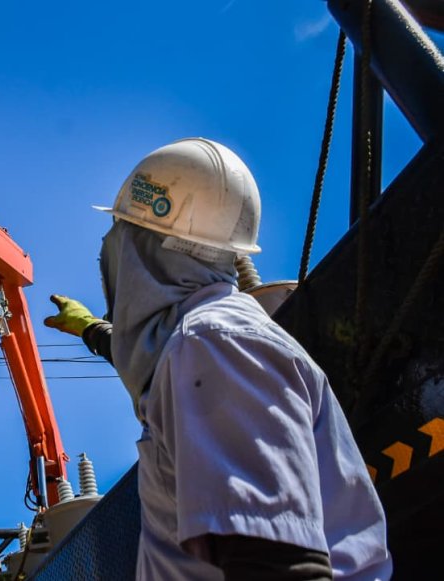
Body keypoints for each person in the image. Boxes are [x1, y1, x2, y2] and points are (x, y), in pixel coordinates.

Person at [44, 137, 391, 580]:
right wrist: (91, 328)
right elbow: (151, 353)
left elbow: (280, 569)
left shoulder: (213, 345)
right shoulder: (202, 341)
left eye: (121, 232)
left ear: (142, 248)